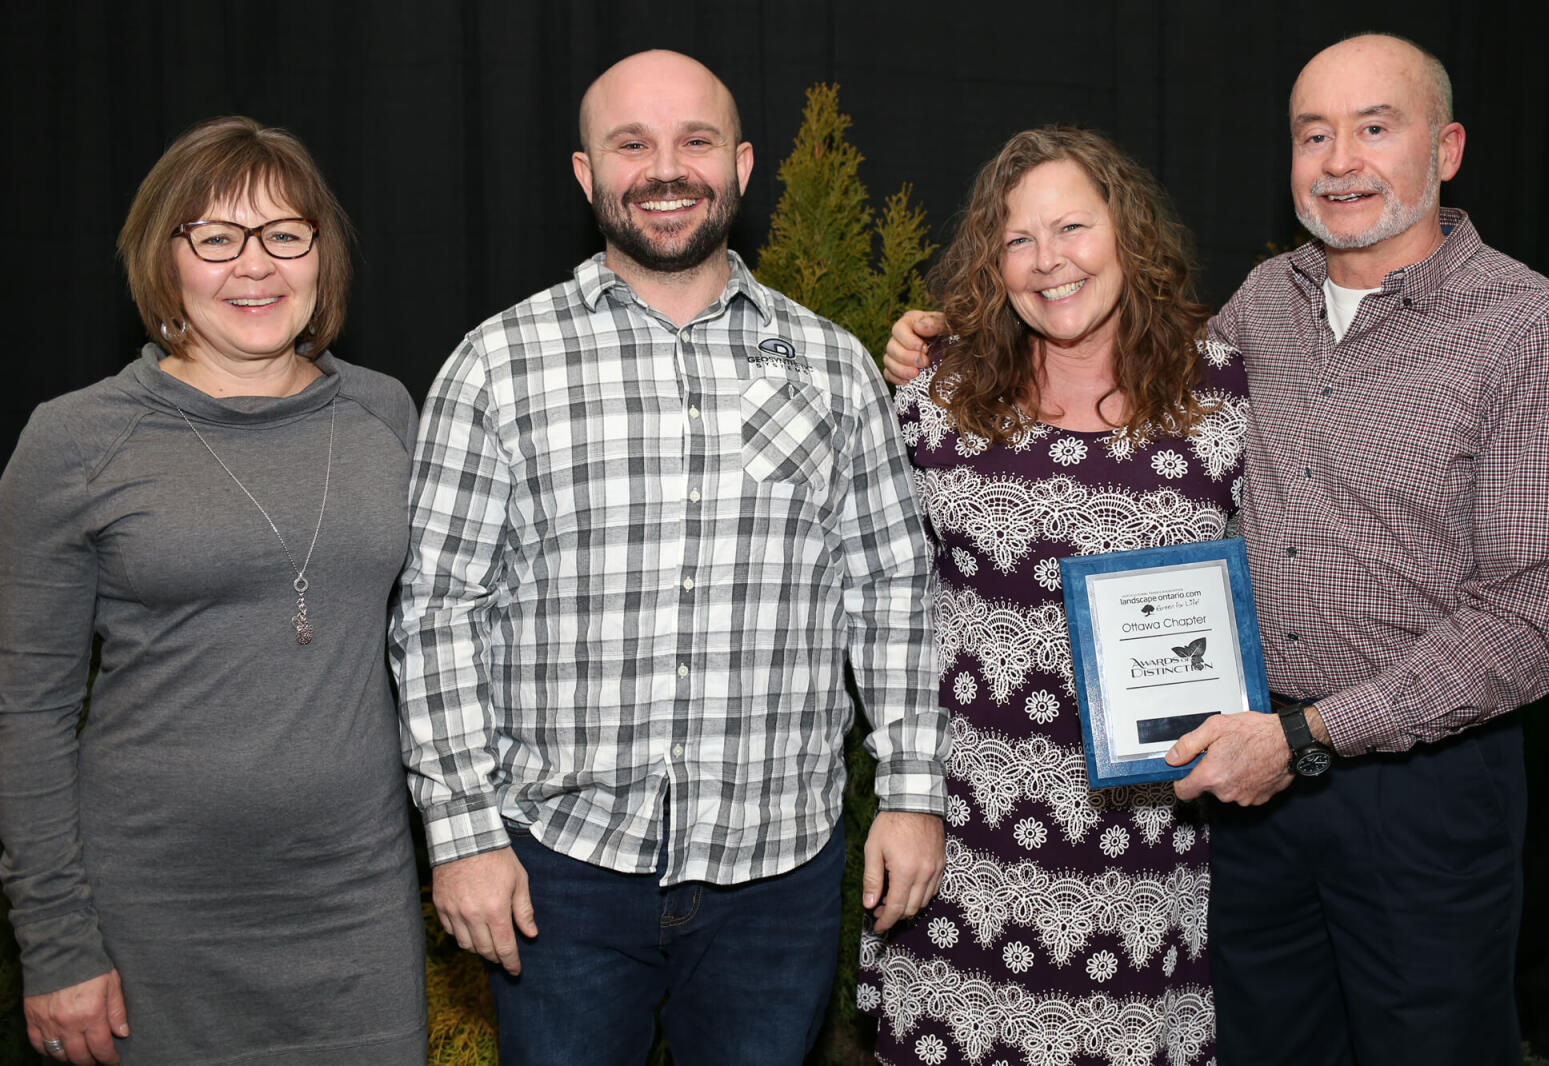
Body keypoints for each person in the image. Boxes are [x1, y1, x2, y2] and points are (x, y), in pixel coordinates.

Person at [885, 33, 1549, 1066]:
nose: (1340, 160)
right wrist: (944, 338)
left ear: (1445, 149)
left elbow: (1532, 614)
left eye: (1374, 128)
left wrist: (1313, 732)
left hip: (1419, 791)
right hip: (1248, 785)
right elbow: (1116, 371)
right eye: (1314, 135)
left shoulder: (1532, 329)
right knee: (1267, 1042)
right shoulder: (1263, 308)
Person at [390, 49, 947, 1065]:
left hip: (776, 876)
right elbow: (438, 610)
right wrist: (462, 832)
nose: (665, 169)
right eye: (631, 144)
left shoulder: (832, 365)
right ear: (585, 173)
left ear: (740, 165)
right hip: (557, 874)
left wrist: (911, 793)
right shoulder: (496, 364)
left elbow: (891, 589)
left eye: (695, 141)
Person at [0, 117, 427, 1066]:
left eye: (285, 234)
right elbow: (26, 712)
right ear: (165, 258)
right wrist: (57, 941)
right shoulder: (75, 442)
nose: (255, 265)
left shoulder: (384, 413)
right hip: (151, 912)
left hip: (356, 904)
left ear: (321, 254)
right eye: (217, 237)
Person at [857, 125, 1245, 1066]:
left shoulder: (1224, 392)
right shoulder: (936, 397)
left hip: (1146, 843)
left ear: (1127, 232)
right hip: (966, 836)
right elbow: (882, 597)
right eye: (1018, 240)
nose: (1048, 260)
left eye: (1072, 227)